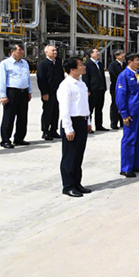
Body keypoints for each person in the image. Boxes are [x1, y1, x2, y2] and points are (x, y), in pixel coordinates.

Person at [57, 57, 93, 197]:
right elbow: (64, 109)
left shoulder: (82, 84)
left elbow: (85, 104)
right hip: (72, 122)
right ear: (72, 69)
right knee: (70, 156)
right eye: (81, 65)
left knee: (78, 155)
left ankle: (77, 183)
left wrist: (88, 121)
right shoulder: (66, 85)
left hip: (82, 121)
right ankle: (68, 186)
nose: (84, 66)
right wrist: (68, 128)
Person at [116, 52, 139, 177]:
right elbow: (120, 96)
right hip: (130, 113)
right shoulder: (124, 76)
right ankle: (126, 168)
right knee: (129, 139)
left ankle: (137, 165)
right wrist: (124, 114)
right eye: (137, 60)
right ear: (129, 62)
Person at [0, 43, 32, 149]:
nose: (22, 52)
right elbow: (2, 80)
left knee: (23, 116)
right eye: (19, 50)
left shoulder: (24, 63)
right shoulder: (5, 63)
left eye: (22, 50)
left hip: (23, 91)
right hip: (12, 92)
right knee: (9, 117)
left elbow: (28, 78)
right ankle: (5, 140)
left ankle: (19, 138)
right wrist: (3, 95)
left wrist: (29, 91)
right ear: (12, 51)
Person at [37, 45, 63, 140]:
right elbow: (41, 79)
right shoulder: (43, 64)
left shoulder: (58, 63)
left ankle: (53, 130)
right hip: (48, 92)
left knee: (56, 111)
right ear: (46, 52)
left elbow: (61, 77)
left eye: (56, 50)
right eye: (53, 50)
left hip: (58, 92)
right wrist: (44, 93)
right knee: (47, 111)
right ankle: (45, 131)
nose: (55, 52)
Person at [83, 48, 109, 131]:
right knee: (90, 109)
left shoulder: (100, 64)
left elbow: (102, 76)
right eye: (96, 52)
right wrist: (87, 89)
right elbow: (85, 78)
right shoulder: (87, 64)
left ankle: (99, 126)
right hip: (92, 90)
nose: (98, 53)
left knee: (99, 109)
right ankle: (88, 127)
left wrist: (104, 87)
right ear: (91, 54)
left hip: (101, 89)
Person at [108, 50, 126, 130]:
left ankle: (123, 122)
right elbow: (113, 75)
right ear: (116, 56)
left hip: (124, 87)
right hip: (115, 87)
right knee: (115, 105)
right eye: (121, 54)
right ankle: (114, 123)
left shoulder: (125, 64)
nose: (123, 55)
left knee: (124, 104)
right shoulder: (112, 65)